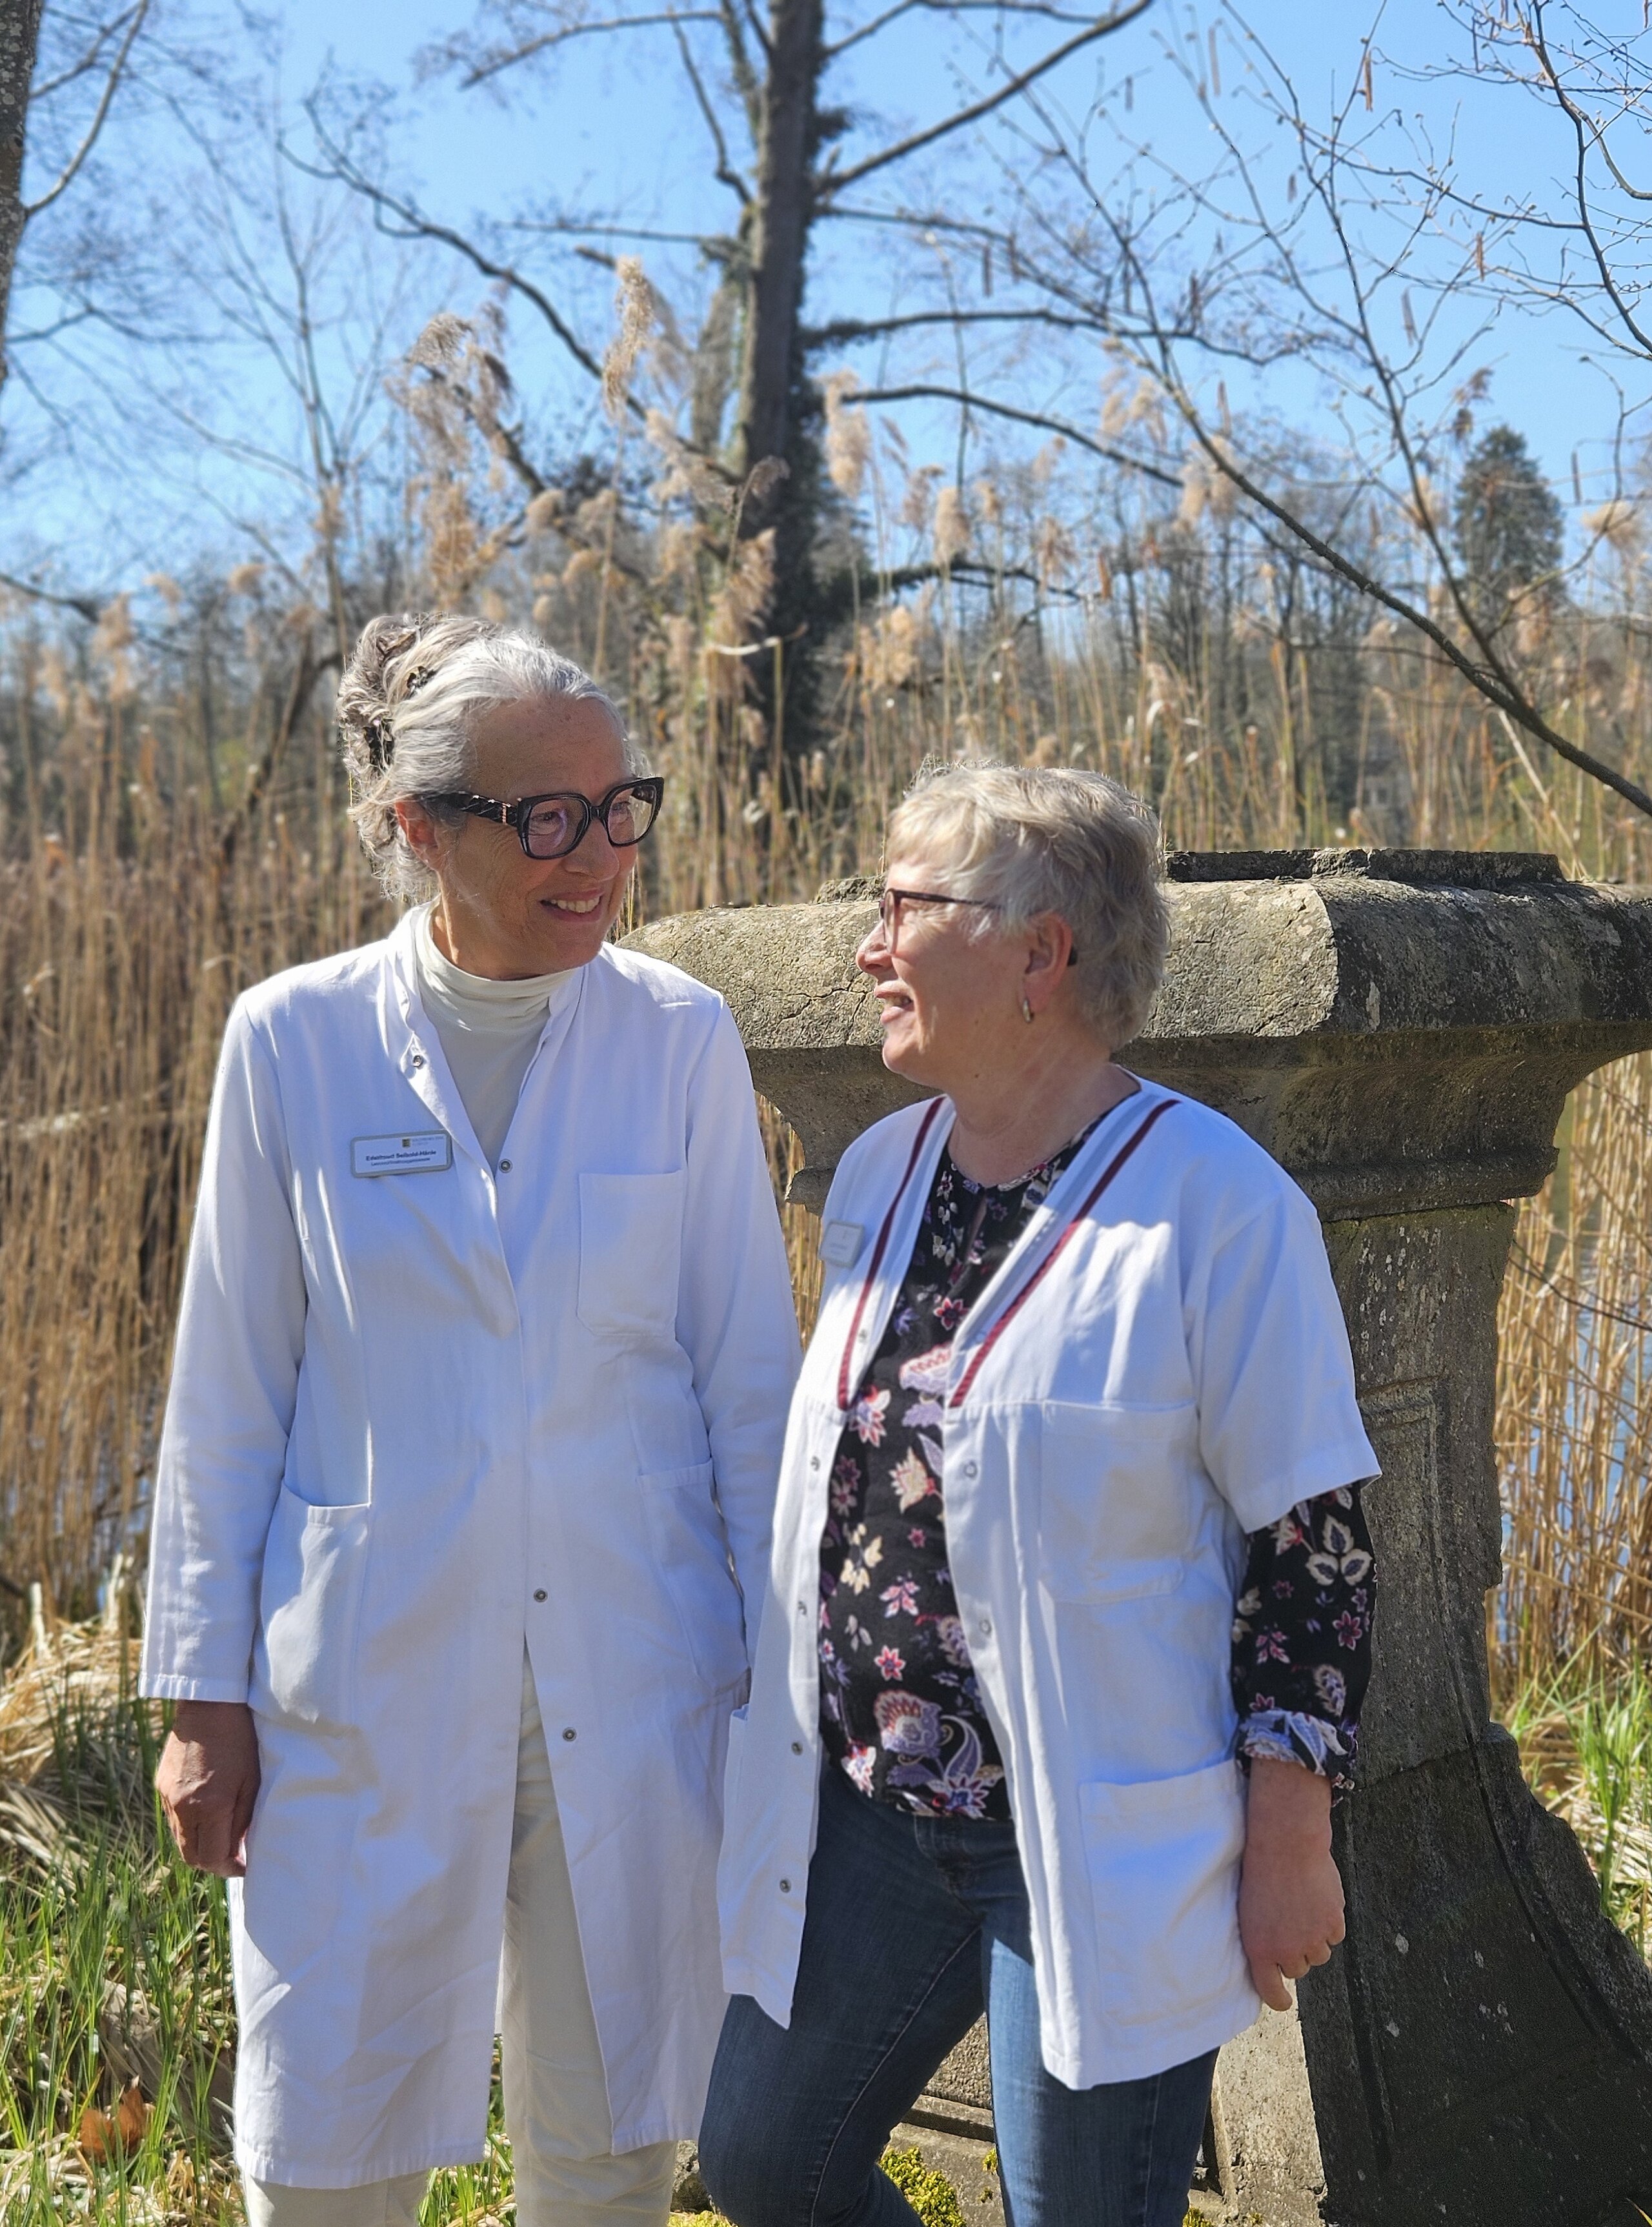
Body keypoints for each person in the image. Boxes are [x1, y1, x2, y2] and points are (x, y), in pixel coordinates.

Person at [141, 613, 801, 2226]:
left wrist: (788, 1692)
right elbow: (231, 1385)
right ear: (416, 828)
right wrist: (196, 1691)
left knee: (611, 2143)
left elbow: (746, 1384)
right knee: (328, 2148)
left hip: (641, 1669)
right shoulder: (292, 1040)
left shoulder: (677, 1037)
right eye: (547, 816)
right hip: (365, 1675)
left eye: (620, 805)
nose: (599, 855)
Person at [701, 764, 1380, 2227]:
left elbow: (1311, 1550)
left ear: (1037, 953)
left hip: (1087, 1835)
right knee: (765, 2161)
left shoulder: (1215, 1204)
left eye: (900, 907)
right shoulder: (880, 1173)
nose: (867, 945)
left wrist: (1289, 1834)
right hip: (873, 1812)